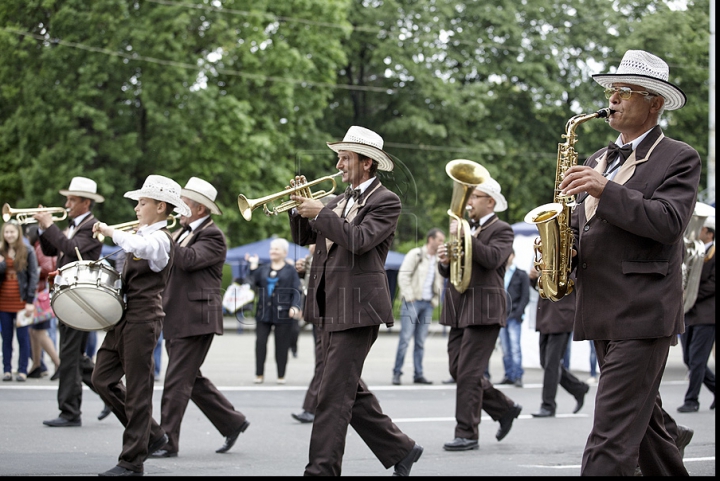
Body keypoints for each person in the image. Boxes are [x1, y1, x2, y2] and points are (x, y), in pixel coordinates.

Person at [558, 49, 702, 476]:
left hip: (642, 312)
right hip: (601, 309)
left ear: (655, 103)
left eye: (626, 91)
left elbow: (669, 222)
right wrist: (556, 252)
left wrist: (605, 190)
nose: (614, 98)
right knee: (651, 434)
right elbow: (588, 230)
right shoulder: (595, 160)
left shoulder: (679, 156)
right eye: (611, 90)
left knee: (610, 439)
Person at [289, 125, 423, 476]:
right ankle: (401, 449)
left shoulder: (385, 201)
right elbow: (307, 237)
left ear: (367, 163)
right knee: (347, 388)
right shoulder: (337, 200)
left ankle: (321, 470)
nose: (338, 164)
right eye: (339, 157)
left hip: (359, 308)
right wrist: (298, 206)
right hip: (328, 306)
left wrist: (320, 213)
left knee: (332, 395)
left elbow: (360, 240)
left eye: (345, 157)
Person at [91, 174, 191, 476]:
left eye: (142, 202)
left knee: (138, 391)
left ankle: (132, 461)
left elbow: (142, 247)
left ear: (161, 207)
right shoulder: (143, 234)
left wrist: (110, 231)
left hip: (143, 318)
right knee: (102, 379)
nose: (136, 207)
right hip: (123, 317)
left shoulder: (159, 239)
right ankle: (153, 434)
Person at [149, 176, 250, 459]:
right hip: (179, 316)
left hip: (196, 318)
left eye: (184, 205)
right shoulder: (183, 232)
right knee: (190, 380)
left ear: (200, 210)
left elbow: (188, 260)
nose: (178, 209)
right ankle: (232, 421)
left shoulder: (212, 235)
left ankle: (167, 441)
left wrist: (161, 235)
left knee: (176, 381)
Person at [436, 175, 520, 452]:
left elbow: (493, 259)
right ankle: (504, 408)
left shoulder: (503, 229)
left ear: (490, 202)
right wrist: (446, 262)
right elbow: (457, 269)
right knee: (457, 369)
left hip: (484, 308)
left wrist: (466, 239)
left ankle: (467, 433)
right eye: (469, 196)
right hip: (460, 306)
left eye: (474, 197)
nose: (468, 202)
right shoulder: (468, 228)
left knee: (470, 374)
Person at [34, 176, 107, 426]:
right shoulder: (75, 223)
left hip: (81, 298)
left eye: (71, 199)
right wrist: (43, 229)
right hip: (69, 295)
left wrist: (48, 226)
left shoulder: (92, 226)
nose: (66, 203)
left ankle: (70, 411)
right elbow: (54, 250)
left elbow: (71, 246)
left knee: (70, 354)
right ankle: (110, 392)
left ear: (86, 203)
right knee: (74, 355)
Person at [528, 269, 590, 417]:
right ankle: (578, 388)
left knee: (551, 364)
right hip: (545, 317)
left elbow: (574, 282)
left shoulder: (571, 258)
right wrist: (534, 279)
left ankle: (548, 405)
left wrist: (553, 274)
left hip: (562, 316)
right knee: (545, 362)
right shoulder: (548, 259)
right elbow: (542, 288)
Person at [392, 228, 446, 386]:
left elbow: (440, 280)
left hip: (428, 304)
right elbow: (403, 275)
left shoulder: (438, 259)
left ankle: (418, 374)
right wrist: (409, 297)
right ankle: (397, 372)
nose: (441, 243)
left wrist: (435, 300)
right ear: (431, 239)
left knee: (421, 341)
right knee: (405, 339)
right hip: (413, 302)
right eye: (440, 240)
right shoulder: (416, 254)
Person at [245, 238, 302, 385]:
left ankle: (281, 375)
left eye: (276, 249)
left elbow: (297, 290)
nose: (273, 251)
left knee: (282, 345)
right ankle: (259, 374)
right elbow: (250, 283)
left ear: (284, 252)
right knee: (260, 343)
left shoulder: (291, 271)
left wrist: (295, 306)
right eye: (271, 249)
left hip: (283, 313)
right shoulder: (263, 269)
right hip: (264, 312)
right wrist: (252, 266)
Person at [678, 212, 715, 412]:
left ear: (709, 234)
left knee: (697, 359)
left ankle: (692, 400)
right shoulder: (695, 252)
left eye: (701, 228)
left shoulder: (713, 253)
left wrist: (691, 291)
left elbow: (713, 285)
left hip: (707, 314)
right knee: (688, 359)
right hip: (690, 312)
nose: (697, 232)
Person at [0, 220, 38, 382]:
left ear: (18, 233)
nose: (9, 235)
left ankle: (22, 370)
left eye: (12, 232)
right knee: (6, 337)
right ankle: (7, 369)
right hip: (4, 302)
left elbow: (33, 276)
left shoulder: (27, 250)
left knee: (23, 337)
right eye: (6, 232)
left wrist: (30, 299)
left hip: (22, 302)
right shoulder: (1, 250)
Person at [291, 244, 323, 424]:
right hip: (316, 314)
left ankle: (310, 408)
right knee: (332, 363)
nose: (311, 246)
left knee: (324, 362)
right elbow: (309, 286)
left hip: (326, 314)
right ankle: (365, 398)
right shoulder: (311, 259)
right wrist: (302, 273)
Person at [24, 225, 60, 380]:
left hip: (41, 295)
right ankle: (37, 365)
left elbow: (48, 268)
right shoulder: (38, 247)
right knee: (34, 330)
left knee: (40, 332)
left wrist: (31, 269)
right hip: (40, 294)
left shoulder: (39, 248)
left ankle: (58, 363)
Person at [498, 249, 530, 387]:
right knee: (505, 348)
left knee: (515, 347)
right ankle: (509, 374)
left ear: (513, 256)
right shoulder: (499, 273)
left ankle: (518, 375)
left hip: (513, 315)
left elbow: (525, 296)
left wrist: (518, 313)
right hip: (501, 316)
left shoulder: (520, 274)